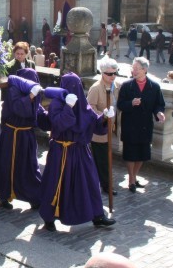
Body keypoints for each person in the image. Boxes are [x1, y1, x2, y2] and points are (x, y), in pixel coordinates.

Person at [38, 73, 116, 231]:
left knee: (90, 182)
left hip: (80, 151)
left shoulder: (84, 106)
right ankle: (49, 217)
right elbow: (59, 125)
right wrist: (68, 108)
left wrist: (104, 118)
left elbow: (95, 124)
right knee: (55, 183)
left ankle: (97, 215)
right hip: (60, 151)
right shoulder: (56, 104)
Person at [0, 70, 66, 210]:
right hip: (11, 136)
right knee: (7, 166)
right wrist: (30, 96)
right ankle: (5, 195)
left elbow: (40, 115)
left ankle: (34, 196)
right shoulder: (13, 92)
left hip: (26, 136)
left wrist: (56, 113)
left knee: (29, 167)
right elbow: (18, 108)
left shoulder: (35, 99)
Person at [117, 57, 166, 193]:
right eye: (133, 68)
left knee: (142, 154)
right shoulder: (127, 85)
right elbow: (120, 104)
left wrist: (159, 113)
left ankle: (134, 176)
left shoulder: (154, 86)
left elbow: (159, 104)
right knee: (130, 154)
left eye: (136, 68)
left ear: (144, 70)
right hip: (130, 124)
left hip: (145, 125)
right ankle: (131, 179)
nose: (133, 71)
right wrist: (131, 103)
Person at [87, 57, 122, 195]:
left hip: (111, 129)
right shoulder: (95, 88)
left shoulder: (117, 86)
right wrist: (103, 114)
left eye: (115, 73)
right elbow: (89, 108)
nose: (112, 76)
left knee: (107, 158)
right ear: (102, 73)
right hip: (99, 131)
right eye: (109, 74)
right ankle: (105, 185)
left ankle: (105, 184)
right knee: (101, 160)